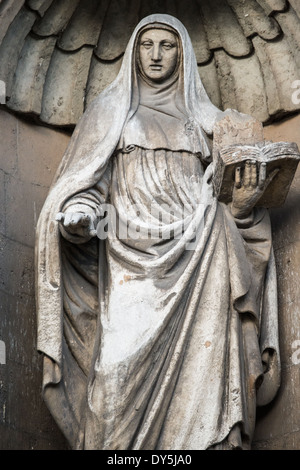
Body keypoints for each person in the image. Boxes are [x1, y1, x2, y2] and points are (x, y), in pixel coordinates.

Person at [36, 14, 280, 450]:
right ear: (133, 52)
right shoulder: (111, 113)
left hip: (203, 256)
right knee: (112, 378)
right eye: (146, 44)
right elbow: (87, 184)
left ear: (183, 54)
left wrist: (242, 206)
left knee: (207, 376)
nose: (155, 55)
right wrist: (79, 214)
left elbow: (232, 209)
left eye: (166, 46)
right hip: (130, 267)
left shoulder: (208, 125)